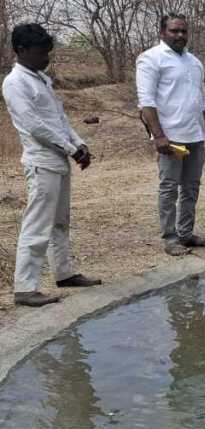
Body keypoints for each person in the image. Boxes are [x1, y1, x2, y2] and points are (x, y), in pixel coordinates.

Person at [2, 23, 101, 307]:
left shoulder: (40, 79)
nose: (46, 56)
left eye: (48, 51)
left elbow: (59, 119)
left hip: (58, 160)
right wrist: (72, 149)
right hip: (41, 162)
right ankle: (25, 288)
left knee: (60, 222)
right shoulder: (14, 83)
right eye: (41, 51)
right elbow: (35, 126)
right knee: (37, 225)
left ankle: (64, 272)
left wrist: (79, 144)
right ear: (21, 50)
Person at [136, 13, 205, 256]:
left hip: (195, 134)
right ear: (162, 33)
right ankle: (170, 238)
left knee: (191, 187)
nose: (180, 35)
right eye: (174, 31)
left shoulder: (194, 62)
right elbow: (147, 102)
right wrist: (158, 136)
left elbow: (203, 99)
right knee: (169, 187)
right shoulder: (150, 59)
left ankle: (186, 233)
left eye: (183, 31)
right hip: (170, 137)